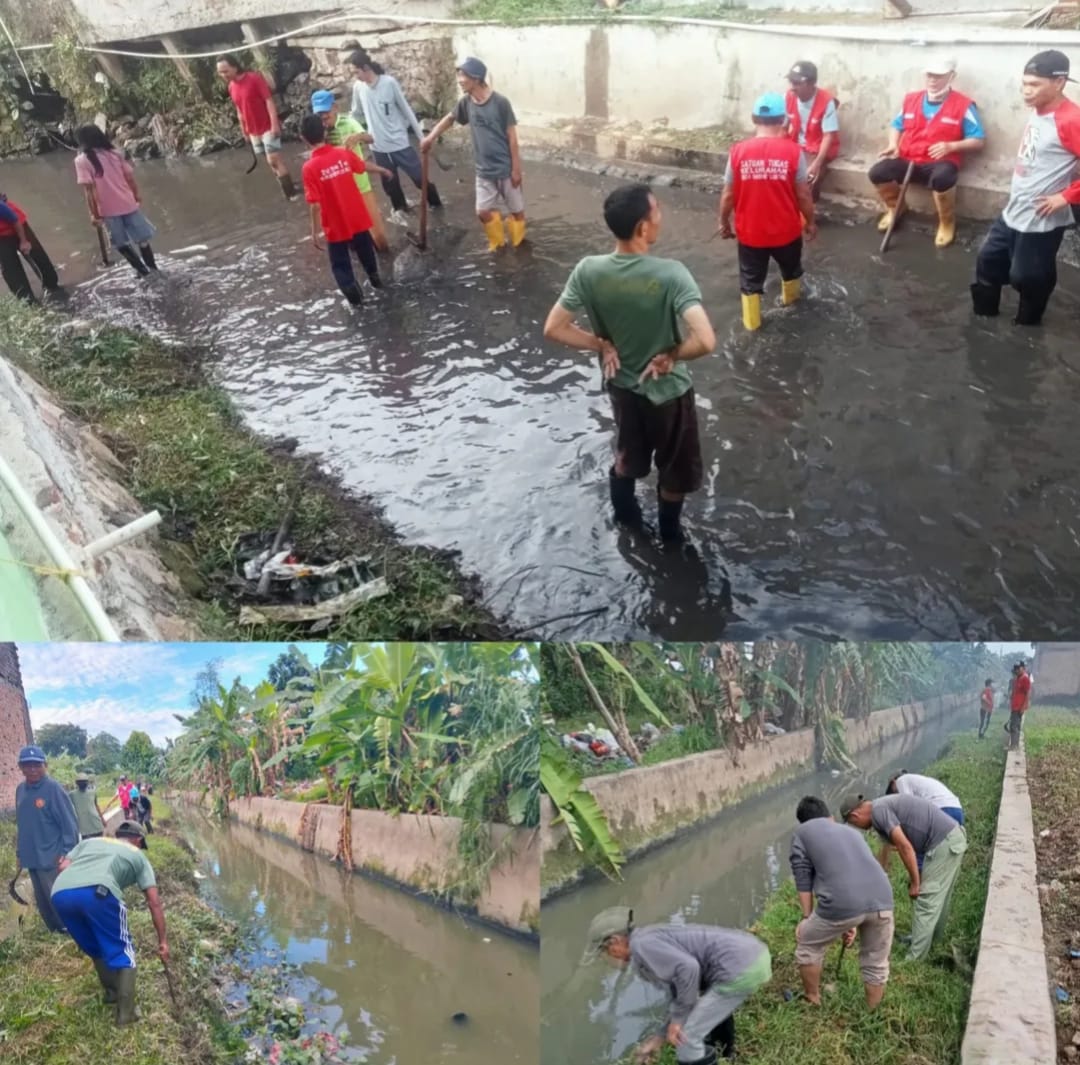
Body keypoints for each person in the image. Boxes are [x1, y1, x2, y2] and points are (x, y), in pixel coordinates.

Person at [543, 184, 716, 545]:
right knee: (674, 472)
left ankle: (627, 525)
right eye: (657, 213)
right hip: (667, 394)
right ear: (642, 227)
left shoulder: (588, 270)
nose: (660, 219)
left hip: (621, 387)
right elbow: (706, 340)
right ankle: (670, 539)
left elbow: (554, 328)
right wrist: (672, 356)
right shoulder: (672, 274)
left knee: (627, 458)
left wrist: (601, 343)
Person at [971, 50, 1080, 326]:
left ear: (1059, 82)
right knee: (988, 262)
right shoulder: (1039, 111)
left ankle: (1027, 331)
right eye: (1024, 84)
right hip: (1016, 207)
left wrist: (1066, 196)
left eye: (1034, 85)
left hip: (1042, 216)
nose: (1026, 92)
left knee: (1028, 278)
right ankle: (982, 325)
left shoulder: (1071, 120)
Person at [580, 906, 771, 1063]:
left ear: (615, 940)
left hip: (740, 968)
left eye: (606, 950)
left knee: (686, 1039)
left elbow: (689, 969)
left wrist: (678, 1022)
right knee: (707, 1007)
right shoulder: (647, 937)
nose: (609, 955)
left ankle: (716, 1055)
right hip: (753, 955)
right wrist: (658, 1038)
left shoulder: (641, 947)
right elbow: (680, 993)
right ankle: (726, 1056)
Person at [51, 820, 168, 1025]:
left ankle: (112, 994)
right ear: (138, 840)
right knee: (125, 953)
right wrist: (163, 941)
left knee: (96, 948)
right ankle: (126, 1015)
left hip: (60, 892)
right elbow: (154, 902)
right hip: (99, 893)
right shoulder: (138, 856)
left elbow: (62, 867)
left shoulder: (91, 842)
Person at [717, 93, 816, 332]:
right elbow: (803, 195)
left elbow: (728, 195)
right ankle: (790, 307)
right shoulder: (794, 152)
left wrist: (723, 222)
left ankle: (752, 327)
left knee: (750, 284)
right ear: (783, 119)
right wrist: (810, 222)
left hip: (751, 234)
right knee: (790, 272)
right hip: (787, 232)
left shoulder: (738, 152)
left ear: (754, 119)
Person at [868, 56, 985, 248]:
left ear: (951, 76)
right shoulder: (911, 100)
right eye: (929, 75)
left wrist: (951, 146)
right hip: (909, 159)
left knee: (943, 178)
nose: (932, 80)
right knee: (878, 172)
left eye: (939, 76)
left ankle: (947, 222)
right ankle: (895, 209)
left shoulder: (963, 105)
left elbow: (978, 140)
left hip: (939, 162)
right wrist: (893, 144)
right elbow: (896, 125)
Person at [790, 796, 894, 1010]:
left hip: (844, 903)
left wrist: (807, 918)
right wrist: (852, 923)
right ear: (830, 817)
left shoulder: (802, 834)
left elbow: (803, 878)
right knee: (876, 960)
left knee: (808, 942)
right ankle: (872, 1012)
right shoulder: (851, 832)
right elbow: (855, 874)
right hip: (883, 898)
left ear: (803, 822)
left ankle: (812, 999)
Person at [840, 791, 968, 961]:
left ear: (855, 816)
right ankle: (930, 941)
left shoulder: (879, 812)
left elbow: (904, 846)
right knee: (938, 898)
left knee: (926, 900)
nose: (857, 827)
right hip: (950, 839)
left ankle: (914, 960)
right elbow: (886, 856)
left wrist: (916, 882)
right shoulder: (881, 809)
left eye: (853, 823)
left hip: (944, 843)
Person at [421, 56, 526, 251]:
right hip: (483, 171)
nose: (460, 80)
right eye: (459, 75)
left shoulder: (500, 102)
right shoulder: (466, 103)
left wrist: (516, 169)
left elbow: (512, 137)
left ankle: (519, 246)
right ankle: (498, 244)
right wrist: (430, 138)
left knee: (517, 212)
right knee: (482, 211)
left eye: (464, 75)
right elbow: (450, 119)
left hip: (505, 168)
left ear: (477, 79)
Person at [300, 113, 393, 306]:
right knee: (366, 250)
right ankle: (376, 281)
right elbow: (361, 166)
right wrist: (382, 170)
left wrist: (314, 232)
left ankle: (357, 300)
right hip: (357, 218)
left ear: (303, 139)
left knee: (340, 264)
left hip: (335, 226)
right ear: (324, 132)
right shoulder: (342, 153)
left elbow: (315, 204)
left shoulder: (309, 168)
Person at [347, 49, 442, 220]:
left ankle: (437, 206)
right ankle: (401, 212)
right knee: (390, 186)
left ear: (366, 67)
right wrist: (357, 133)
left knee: (420, 179)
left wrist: (423, 138)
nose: (355, 76)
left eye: (356, 72)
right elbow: (356, 114)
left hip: (399, 143)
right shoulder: (358, 88)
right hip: (378, 147)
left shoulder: (389, 83)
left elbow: (407, 111)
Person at [74, 124, 159, 279]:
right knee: (142, 239)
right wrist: (136, 196)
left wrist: (93, 214)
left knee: (121, 244)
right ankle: (153, 269)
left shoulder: (81, 161)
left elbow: (89, 191)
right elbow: (129, 178)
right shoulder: (115, 153)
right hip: (128, 203)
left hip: (107, 210)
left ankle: (142, 272)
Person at [310, 88, 389, 252]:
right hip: (338, 193)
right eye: (319, 114)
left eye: (326, 112)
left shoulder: (349, 122)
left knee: (378, 235)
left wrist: (357, 137)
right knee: (352, 238)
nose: (324, 117)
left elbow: (370, 138)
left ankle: (384, 259)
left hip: (360, 186)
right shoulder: (318, 131)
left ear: (335, 108)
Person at [13, 745, 79, 934]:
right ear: (20, 767)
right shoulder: (20, 791)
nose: (32, 769)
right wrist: (19, 853)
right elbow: (23, 825)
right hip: (32, 857)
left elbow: (69, 825)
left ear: (45, 765)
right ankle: (54, 931)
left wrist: (67, 855)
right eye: (28, 765)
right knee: (42, 900)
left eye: (37, 765)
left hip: (52, 857)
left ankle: (69, 930)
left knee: (56, 897)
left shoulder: (53, 789)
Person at [216, 54, 298, 200]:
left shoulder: (254, 79)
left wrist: (274, 124)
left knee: (273, 159)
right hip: (253, 130)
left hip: (267, 126)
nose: (223, 75)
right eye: (220, 72)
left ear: (235, 67)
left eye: (226, 71)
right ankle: (287, 185)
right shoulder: (231, 87)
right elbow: (239, 109)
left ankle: (291, 195)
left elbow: (268, 101)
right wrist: (244, 129)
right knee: (269, 161)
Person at [784, 61, 840, 202]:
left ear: (811, 83)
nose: (792, 87)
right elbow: (782, 129)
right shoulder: (788, 97)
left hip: (819, 149)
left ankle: (808, 215)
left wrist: (817, 164)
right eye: (791, 82)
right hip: (797, 145)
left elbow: (828, 136)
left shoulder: (826, 101)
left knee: (808, 178)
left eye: (797, 83)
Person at [0, 193, 62, 302]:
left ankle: (52, 286)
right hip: (2, 235)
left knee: (36, 255)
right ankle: (27, 301)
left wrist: (23, 241)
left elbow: (15, 220)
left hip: (17, 224)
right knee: (10, 269)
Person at [886, 770, 964, 826]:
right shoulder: (920, 781)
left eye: (895, 792)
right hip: (957, 809)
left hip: (942, 809)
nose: (897, 795)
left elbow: (908, 807)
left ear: (893, 782)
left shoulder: (900, 780)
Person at [69, 774, 106, 840]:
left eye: (84, 781)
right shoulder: (72, 795)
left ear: (87, 782)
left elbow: (96, 806)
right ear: (77, 783)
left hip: (96, 822)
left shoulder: (92, 793)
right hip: (84, 826)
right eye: (80, 782)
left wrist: (102, 820)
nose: (83, 783)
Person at [1009, 659, 1033, 749]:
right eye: (1016, 668)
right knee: (1014, 725)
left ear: (1023, 668)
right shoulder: (1018, 678)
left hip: (1019, 707)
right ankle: (1014, 745)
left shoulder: (1025, 678)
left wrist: (1023, 707)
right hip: (1015, 706)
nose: (1017, 670)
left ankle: (1014, 746)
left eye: (1018, 668)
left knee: (1014, 726)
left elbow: (1028, 693)